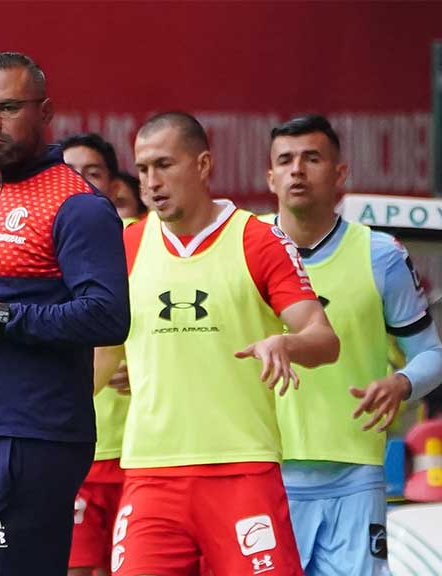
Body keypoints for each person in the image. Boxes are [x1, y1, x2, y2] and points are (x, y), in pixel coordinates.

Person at [96, 112, 340, 576]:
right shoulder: (125, 244)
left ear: (203, 164)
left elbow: (323, 338)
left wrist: (286, 346)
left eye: (165, 165)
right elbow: (97, 360)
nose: (152, 182)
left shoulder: (257, 238)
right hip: (151, 473)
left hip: (242, 471)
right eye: (143, 169)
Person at [0, 52, 130, 576]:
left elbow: (107, 317)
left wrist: (3, 317)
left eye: (6, 107)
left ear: (45, 111)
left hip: (32, 438)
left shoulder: (78, 204)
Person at [266, 115, 442, 575]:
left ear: (340, 173)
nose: (297, 170)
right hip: (264, 468)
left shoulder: (380, 254)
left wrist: (402, 383)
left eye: (312, 158)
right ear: (270, 177)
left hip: (355, 473)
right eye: (285, 160)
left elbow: (432, 354)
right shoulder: (245, 247)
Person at [60, 136, 143, 576]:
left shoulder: (143, 241)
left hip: (141, 449)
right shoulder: (42, 246)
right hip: (76, 445)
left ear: (114, 186)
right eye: (69, 171)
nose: (79, 182)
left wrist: (150, 368)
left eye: (92, 173)